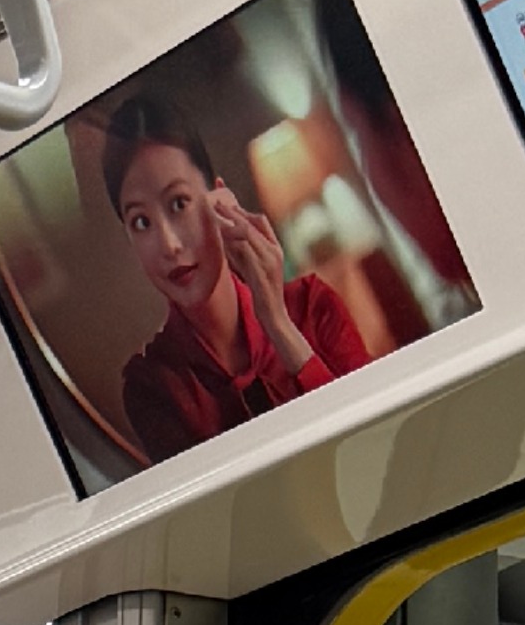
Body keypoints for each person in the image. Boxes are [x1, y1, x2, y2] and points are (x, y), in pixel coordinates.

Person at [95, 89, 373, 464]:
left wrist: (279, 326)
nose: (169, 244)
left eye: (179, 204)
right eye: (141, 222)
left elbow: (376, 445)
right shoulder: (154, 388)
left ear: (221, 201)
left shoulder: (313, 307)